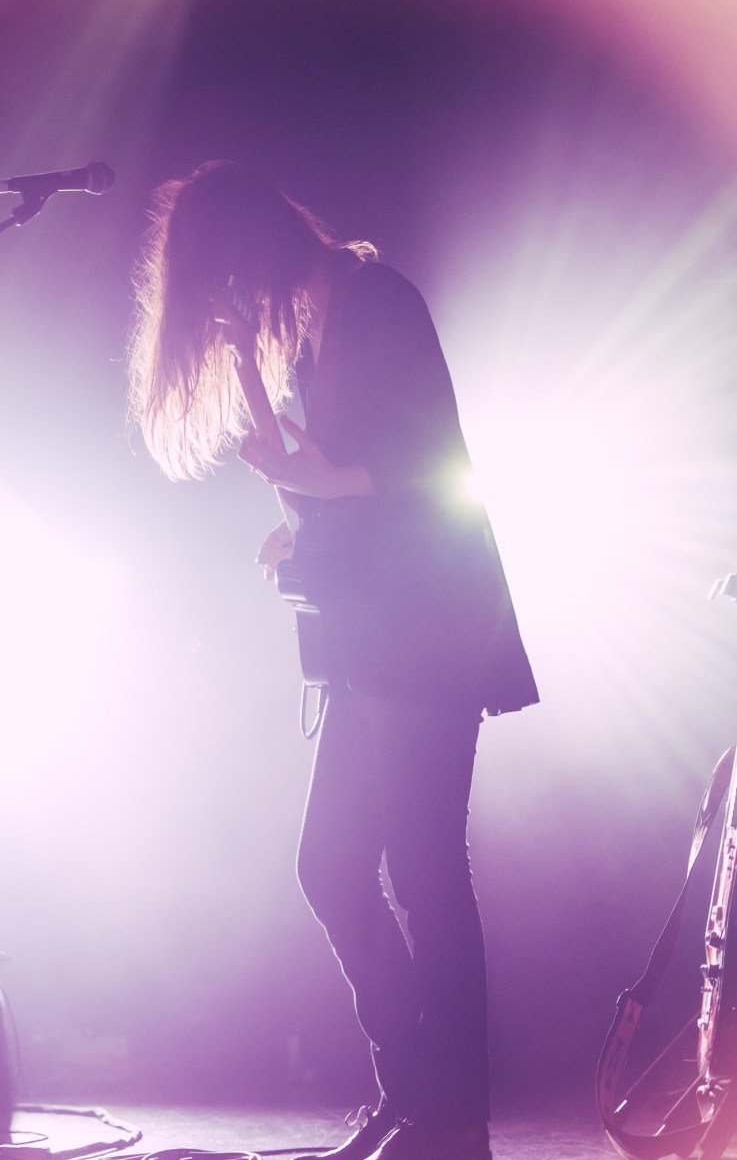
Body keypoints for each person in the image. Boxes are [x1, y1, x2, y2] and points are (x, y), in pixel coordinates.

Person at [127, 160, 539, 1160]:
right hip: (373, 632)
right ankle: (418, 1095)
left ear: (251, 250)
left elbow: (431, 465)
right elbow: (324, 480)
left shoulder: (377, 300)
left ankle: (453, 1119)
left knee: (424, 868)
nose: (233, 303)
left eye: (228, 279)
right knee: (333, 867)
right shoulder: (317, 332)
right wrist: (293, 490)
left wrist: (325, 483)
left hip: (429, 622)